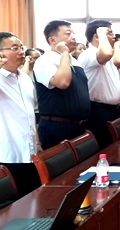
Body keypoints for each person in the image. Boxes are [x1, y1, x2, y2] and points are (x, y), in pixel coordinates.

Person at [0, 32, 41, 197]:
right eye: (14, 48)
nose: (21, 52)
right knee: (7, 206)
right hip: (3, 154)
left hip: (29, 153)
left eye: (22, 47)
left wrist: (37, 142)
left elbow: (29, 114)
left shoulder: (25, 78)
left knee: (32, 201)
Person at [34, 20, 90, 149]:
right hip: (57, 126)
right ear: (52, 40)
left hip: (79, 126)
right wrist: (64, 53)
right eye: (68, 33)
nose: (73, 37)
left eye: (74, 33)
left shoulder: (74, 61)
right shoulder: (45, 60)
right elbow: (62, 83)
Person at [78, 20, 120, 149]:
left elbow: (119, 61)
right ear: (97, 36)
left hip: (112, 110)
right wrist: (102, 33)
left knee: (115, 148)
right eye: (109, 33)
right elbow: (106, 53)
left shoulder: (107, 55)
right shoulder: (89, 54)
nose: (113, 37)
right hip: (98, 111)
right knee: (104, 149)